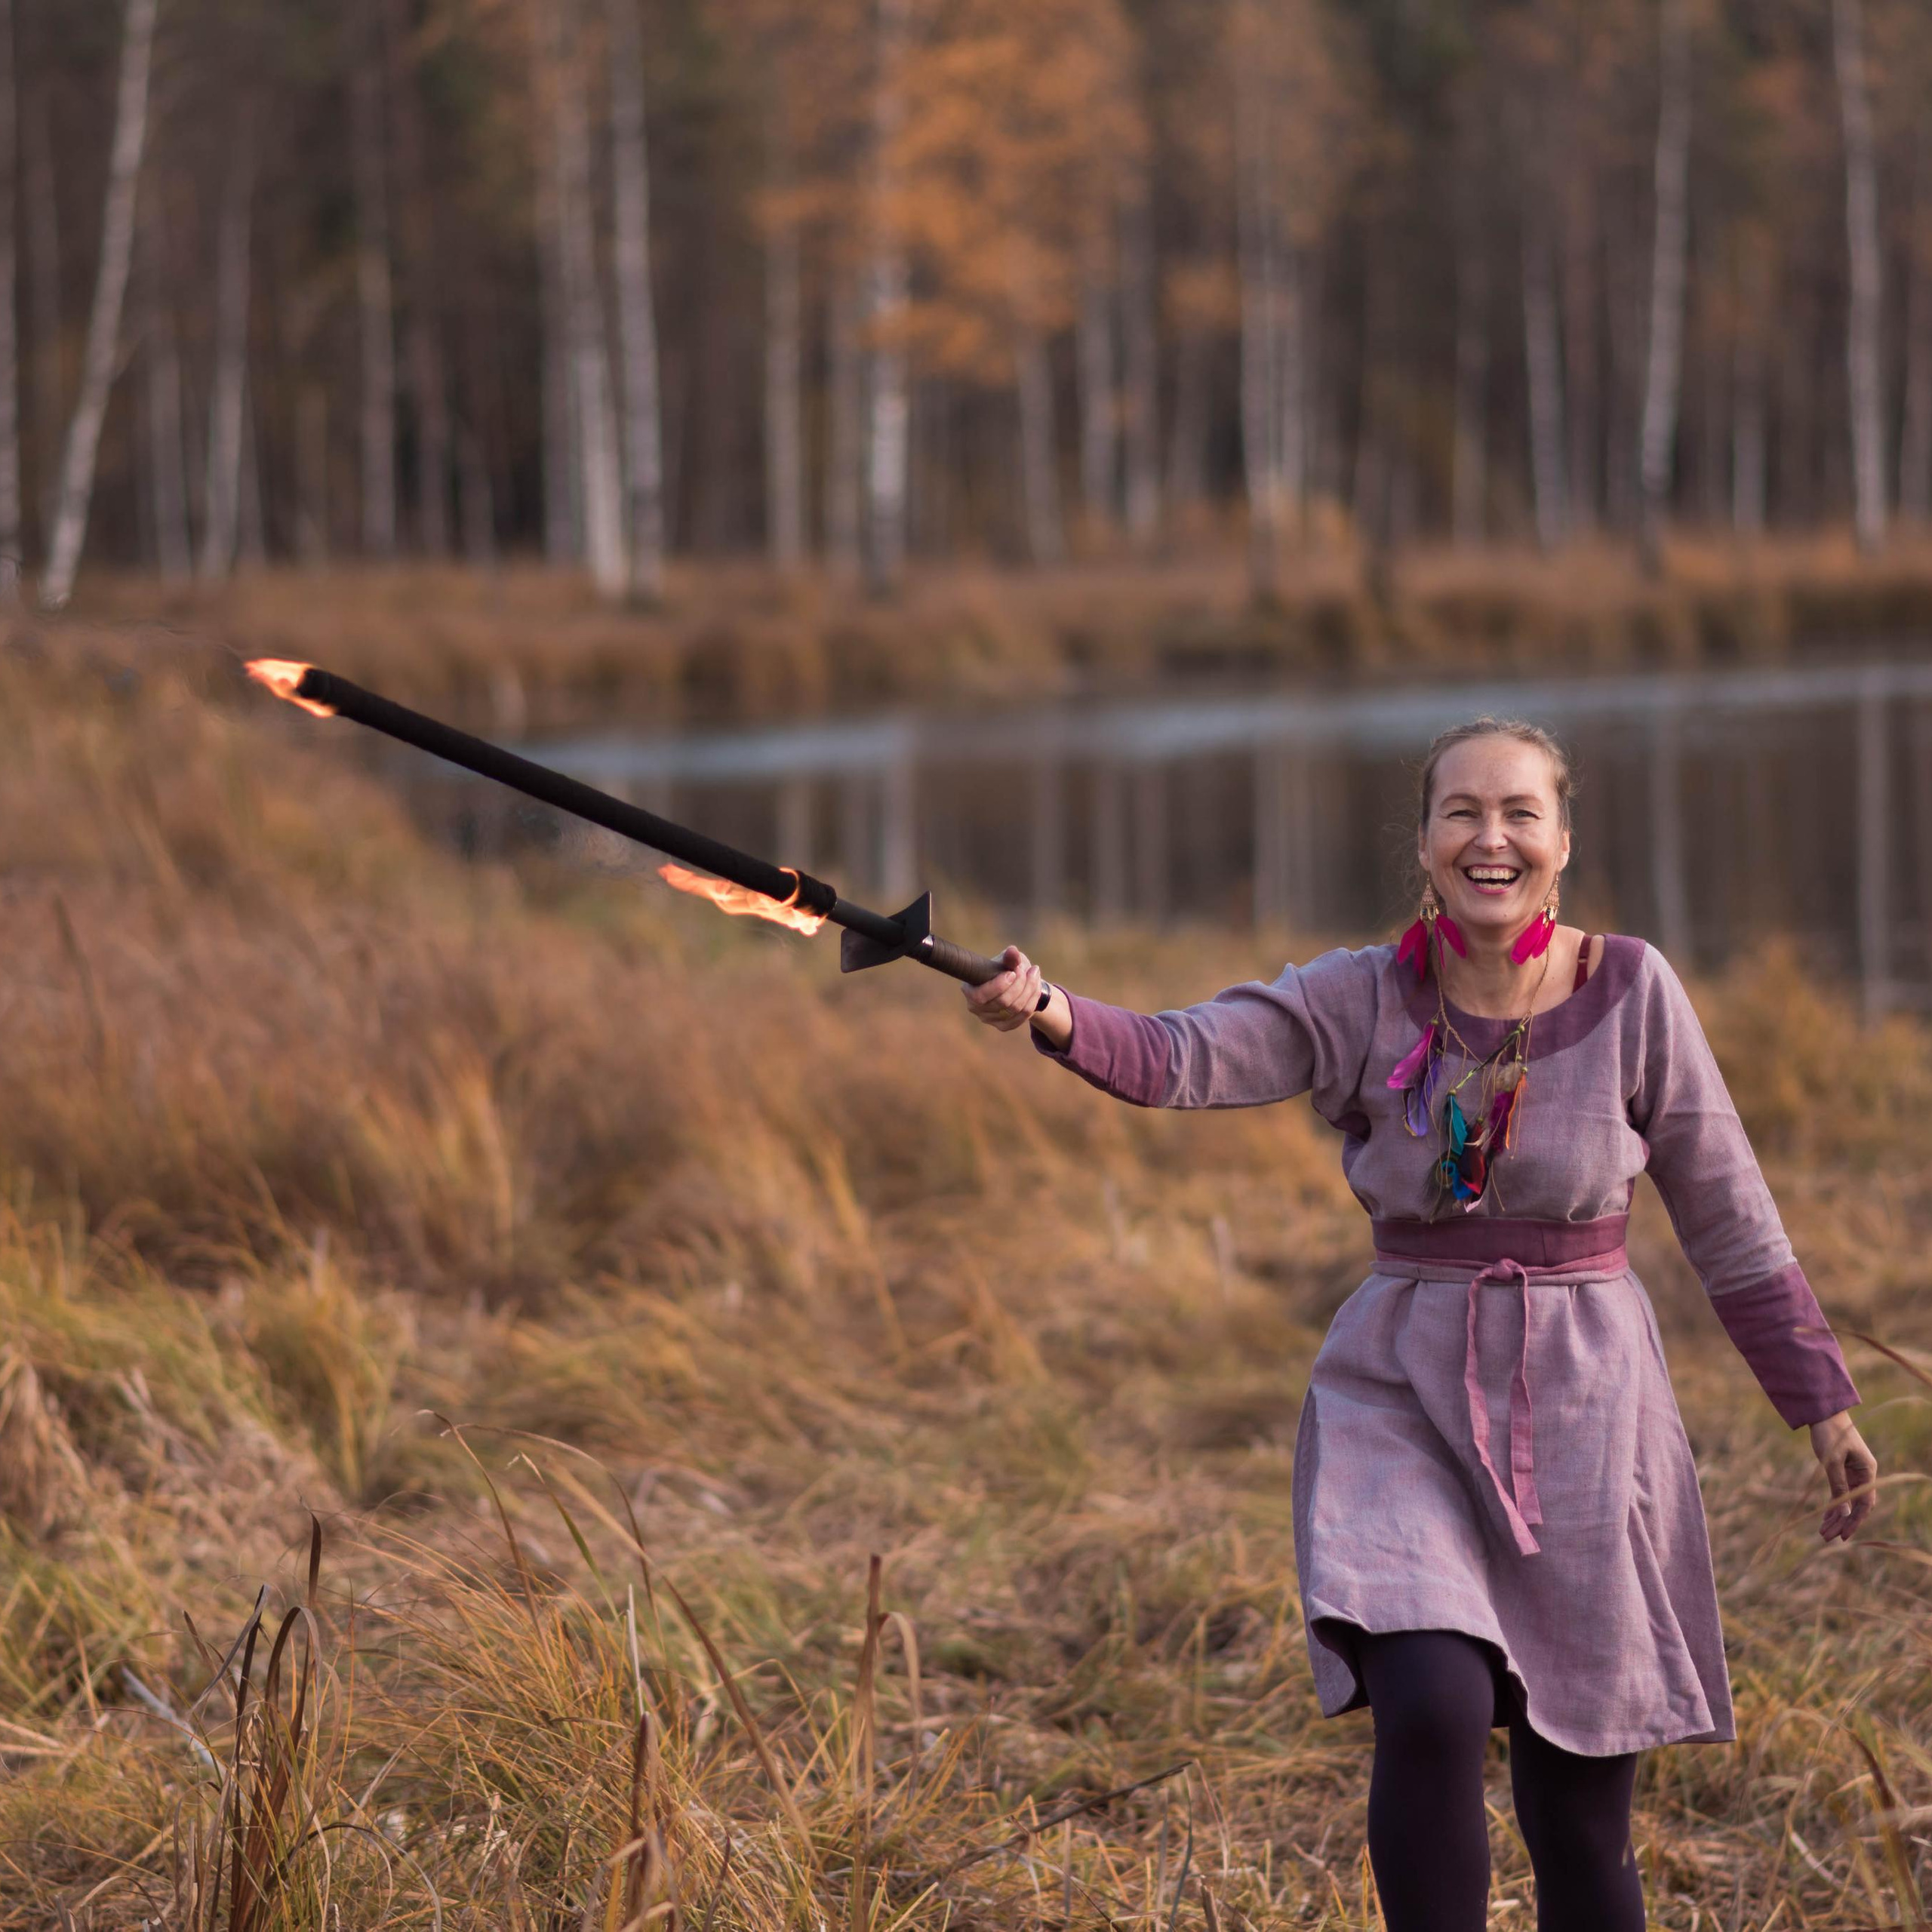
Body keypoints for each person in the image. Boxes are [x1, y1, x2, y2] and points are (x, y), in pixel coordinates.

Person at [962, 716, 1878, 1932]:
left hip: (1589, 1410)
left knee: (1578, 1812)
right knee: (1434, 1702)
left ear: (1563, 840)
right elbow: (1190, 1050)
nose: (1489, 837)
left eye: (1519, 813)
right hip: (1398, 1388)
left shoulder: (1634, 992)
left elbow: (1727, 1207)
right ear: (1424, 841)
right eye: (1461, 812)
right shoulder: (1362, 994)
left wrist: (1820, 1402)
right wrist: (1052, 1011)